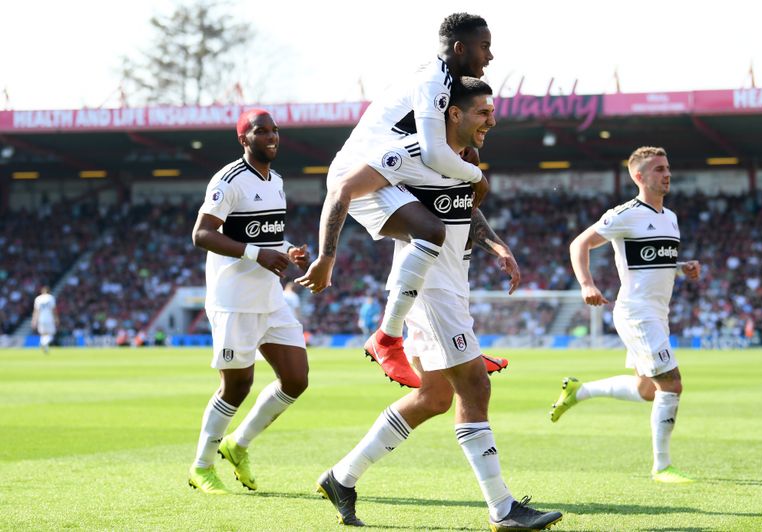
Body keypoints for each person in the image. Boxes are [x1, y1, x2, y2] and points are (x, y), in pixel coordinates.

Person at [315, 78, 562, 531]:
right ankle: (503, 508)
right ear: (452, 114)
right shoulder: (410, 154)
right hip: (431, 291)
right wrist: (326, 256)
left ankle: (341, 477)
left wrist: (495, 245)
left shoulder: (461, 160)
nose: (492, 120)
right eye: (483, 112)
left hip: (450, 285)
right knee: (475, 389)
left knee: (433, 397)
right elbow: (344, 190)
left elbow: (463, 207)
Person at [296, 13, 497, 388]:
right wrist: (475, 175)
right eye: (484, 46)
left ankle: (458, 345)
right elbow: (434, 152)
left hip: (398, 170)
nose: (490, 55)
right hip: (365, 174)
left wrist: (468, 163)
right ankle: (388, 339)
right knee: (431, 231)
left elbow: (439, 148)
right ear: (460, 48)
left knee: (448, 234)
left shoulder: (443, 79)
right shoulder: (434, 80)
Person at [550, 146, 702, 484]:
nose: (667, 174)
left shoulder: (670, 217)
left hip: (657, 314)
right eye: (659, 169)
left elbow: (652, 263)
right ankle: (662, 467)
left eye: (667, 167)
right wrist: (586, 284)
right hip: (637, 313)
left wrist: (682, 267)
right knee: (671, 384)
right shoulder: (625, 214)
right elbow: (580, 244)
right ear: (639, 176)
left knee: (647, 390)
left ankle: (580, 390)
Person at [188, 108, 312, 495]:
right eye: (261, 131)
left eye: (275, 130)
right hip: (233, 300)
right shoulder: (228, 180)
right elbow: (202, 234)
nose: (271, 136)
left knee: (296, 378)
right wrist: (257, 255)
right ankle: (202, 466)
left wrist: (288, 251)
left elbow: (267, 234)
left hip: (270, 298)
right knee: (237, 386)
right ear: (244, 139)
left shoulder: (275, 180)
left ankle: (237, 444)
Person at [32, 285, 58, 354]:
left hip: (41, 319)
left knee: (43, 334)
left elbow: (36, 311)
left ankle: (45, 347)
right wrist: (56, 318)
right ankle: (44, 343)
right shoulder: (51, 298)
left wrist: (34, 320)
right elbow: (53, 310)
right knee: (51, 334)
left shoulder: (38, 298)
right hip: (49, 318)